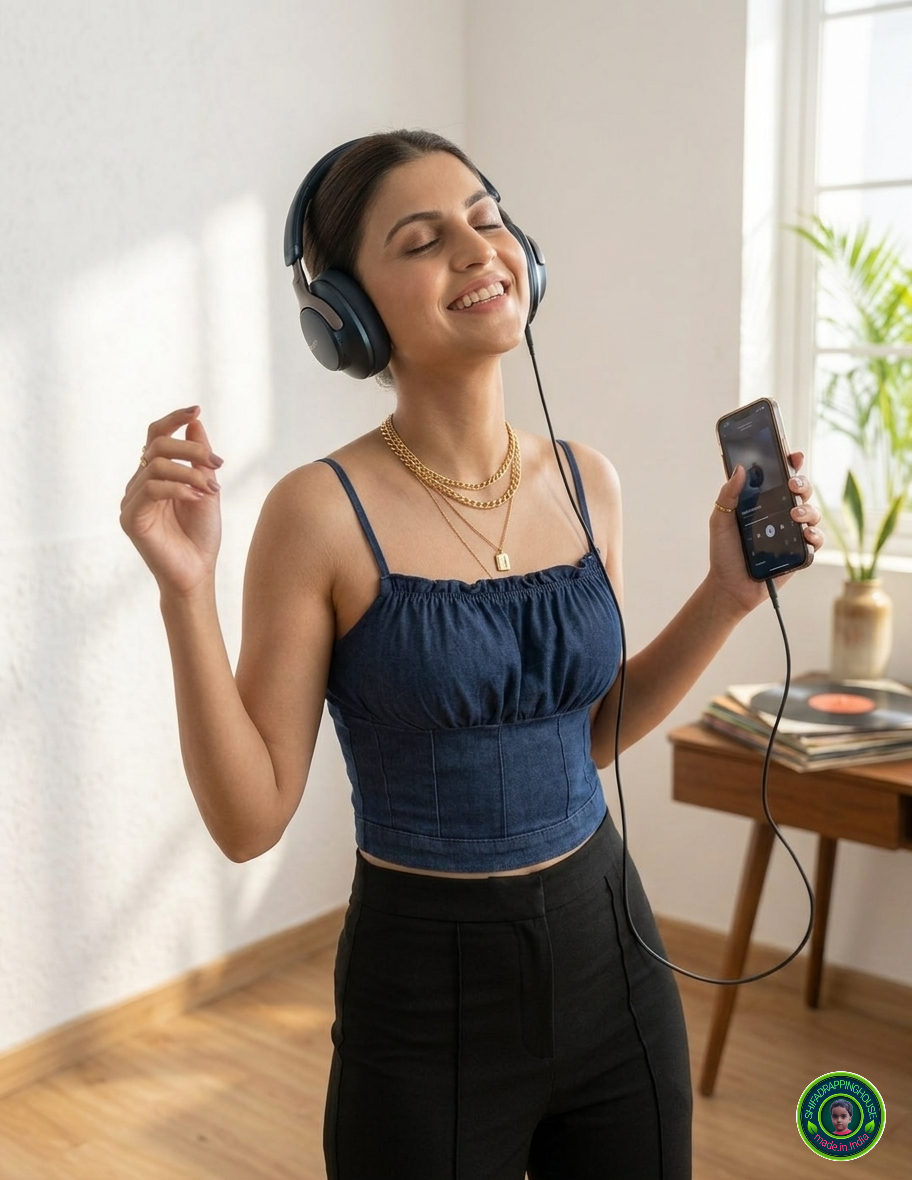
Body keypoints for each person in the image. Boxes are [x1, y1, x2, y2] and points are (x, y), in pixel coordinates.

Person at [120, 130, 823, 1180]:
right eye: (423, 238)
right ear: (345, 319)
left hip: (613, 956)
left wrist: (727, 596)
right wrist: (185, 595)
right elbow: (247, 817)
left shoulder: (589, 480)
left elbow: (590, 736)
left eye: (489, 218)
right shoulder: (317, 512)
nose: (477, 248)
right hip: (423, 1000)